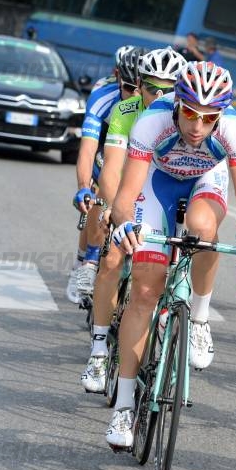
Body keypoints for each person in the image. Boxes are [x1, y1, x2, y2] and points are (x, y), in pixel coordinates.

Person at [105, 62, 236, 448]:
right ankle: (124, 407)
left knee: (205, 229)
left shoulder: (233, 131)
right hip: (157, 186)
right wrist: (125, 224)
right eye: (191, 113)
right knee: (145, 291)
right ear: (178, 102)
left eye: (209, 118)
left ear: (221, 115)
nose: (198, 126)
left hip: (204, 182)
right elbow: (126, 197)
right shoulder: (152, 122)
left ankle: (199, 319)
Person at [80, 46, 187, 393]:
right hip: (128, 181)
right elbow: (111, 168)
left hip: (163, 187)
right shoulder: (125, 111)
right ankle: (98, 350)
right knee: (112, 257)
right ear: (138, 85)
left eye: (168, 88)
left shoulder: (183, 116)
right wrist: (112, 207)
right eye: (152, 88)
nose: (160, 96)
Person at [68, 46, 141, 304]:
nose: (134, 95)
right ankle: (86, 261)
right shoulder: (102, 96)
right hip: (105, 144)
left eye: (139, 89)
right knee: (100, 194)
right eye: (128, 88)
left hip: (134, 150)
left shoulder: (156, 104)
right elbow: (88, 151)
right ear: (118, 78)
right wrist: (82, 186)